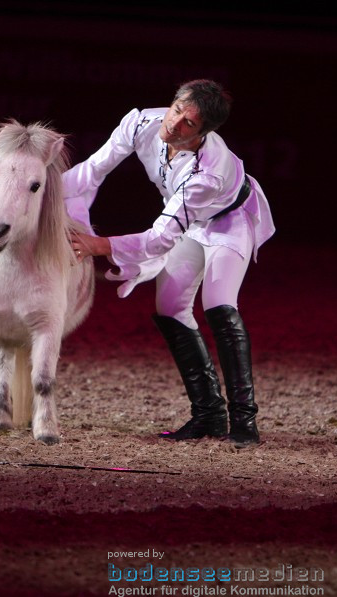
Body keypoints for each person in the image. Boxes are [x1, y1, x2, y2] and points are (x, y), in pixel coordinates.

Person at [65, 79, 275, 447]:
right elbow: (92, 170)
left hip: (229, 221)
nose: (174, 124)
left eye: (189, 124)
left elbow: (160, 238)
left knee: (219, 305)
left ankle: (245, 421)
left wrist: (100, 245)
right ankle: (208, 414)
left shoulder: (205, 173)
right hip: (190, 221)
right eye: (177, 110)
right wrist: (40, 189)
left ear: (204, 132)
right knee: (169, 306)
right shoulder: (143, 123)